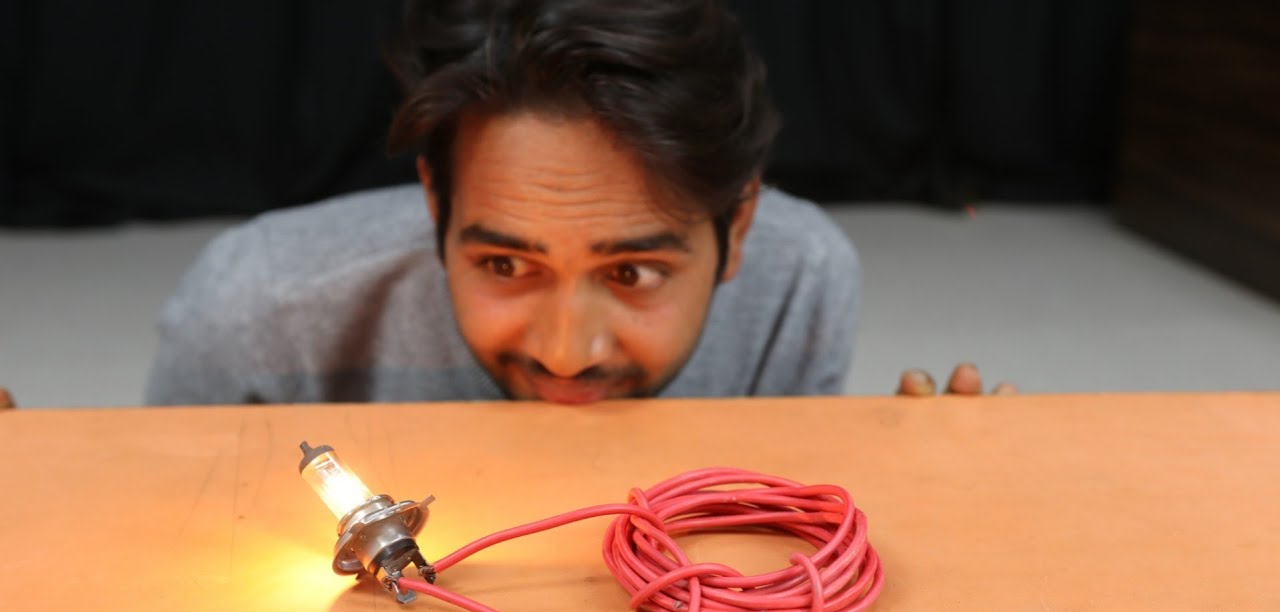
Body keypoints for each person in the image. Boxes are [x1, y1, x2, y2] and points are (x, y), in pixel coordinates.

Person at [144, 0, 1009, 406]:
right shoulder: (254, 304)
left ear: (739, 227)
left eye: (632, 271)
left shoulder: (802, 278)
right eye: (504, 263)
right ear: (436, 203)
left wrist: (912, 502)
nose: (565, 354)